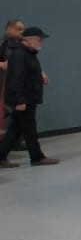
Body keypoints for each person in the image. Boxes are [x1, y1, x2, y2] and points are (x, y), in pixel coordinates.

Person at [0, 26, 58, 167]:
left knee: (16, 128)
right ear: (29, 40)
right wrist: (20, 100)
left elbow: (28, 74)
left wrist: (40, 75)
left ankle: (1, 157)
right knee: (29, 129)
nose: (41, 42)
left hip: (28, 98)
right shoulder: (20, 55)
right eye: (39, 39)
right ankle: (37, 157)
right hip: (24, 99)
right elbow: (16, 78)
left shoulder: (28, 54)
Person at [0, 19, 25, 136]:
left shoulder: (21, 46)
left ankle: (14, 140)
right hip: (4, 86)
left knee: (17, 113)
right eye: (19, 29)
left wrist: (41, 73)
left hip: (16, 86)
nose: (22, 32)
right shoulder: (4, 45)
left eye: (23, 30)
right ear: (9, 29)